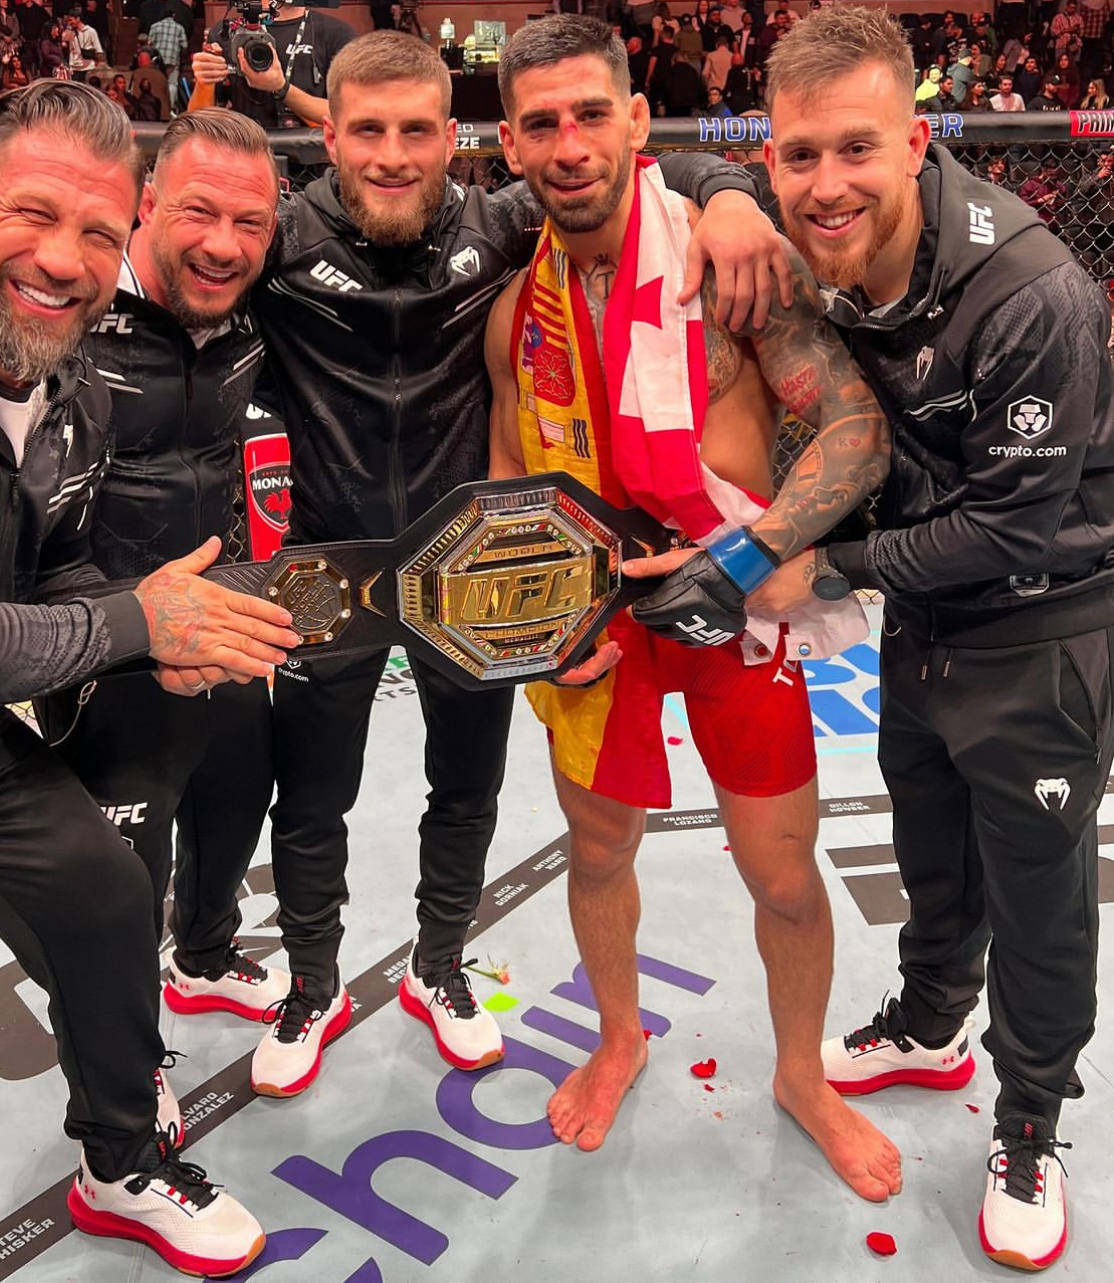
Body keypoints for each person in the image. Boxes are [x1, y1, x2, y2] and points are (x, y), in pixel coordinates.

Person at [190, 28, 794, 1099]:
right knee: (314, 790)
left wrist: (734, 188)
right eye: (366, 131)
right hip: (326, 565)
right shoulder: (274, 243)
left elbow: (628, 174)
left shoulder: (499, 225)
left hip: (472, 567)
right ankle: (315, 978)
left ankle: (439, 965)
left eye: (416, 130)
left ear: (458, 137)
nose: (391, 154)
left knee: (464, 783)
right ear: (326, 135)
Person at [0, 80, 297, 1278]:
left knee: (101, 894)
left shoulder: (67, 370)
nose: (63, 258)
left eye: (96, 231)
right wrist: (134, 623)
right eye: (34, 215)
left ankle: (121, 1156)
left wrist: (157, 635)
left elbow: (59, 563)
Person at [488, 12, 901, 1199]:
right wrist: (536, 630)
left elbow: (852, 430)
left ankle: (800, 1073)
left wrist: (756, 553)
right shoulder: (518, 312)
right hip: (598, 618)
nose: (569, 145)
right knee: (600, 843)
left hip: (735, 603)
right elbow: (517, 478)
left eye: (588, 114)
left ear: (634, 119)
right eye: (541, 123)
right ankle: (619, 1031)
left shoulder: (738, 263)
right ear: (512, 144)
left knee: (780, 871)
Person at [756, 7, 1114, 1270]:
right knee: (930, 840)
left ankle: (1029, 1119)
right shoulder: (813, 243)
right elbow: (687, 177)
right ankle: (929, 1019)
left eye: (853, 149)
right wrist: (734, 205)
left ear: (916, 140)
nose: (824, 184)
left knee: (1040, 888)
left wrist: (825, 568)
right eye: (795, 158)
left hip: (1041, 622)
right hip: (923, 622)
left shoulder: (1033, 294)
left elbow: (1012, 528)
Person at [36, 109, 292, 1032]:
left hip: (217, 612)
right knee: (121, 874)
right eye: (197, 214)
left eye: (249, 224)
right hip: (105, 632)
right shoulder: (70, 305)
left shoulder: (256, 297)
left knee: (238, 790)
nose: (223, 246)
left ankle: (208, 956)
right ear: (149, 203)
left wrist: (715, 186)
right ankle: (123, 1056)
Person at [200, 2, 356, 129]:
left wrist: (281, 88)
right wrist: (204, 82)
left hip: (312, 159)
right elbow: (199, 122)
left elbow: (349, 116)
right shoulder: (226, 32)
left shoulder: (336, 33)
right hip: (246, 154)